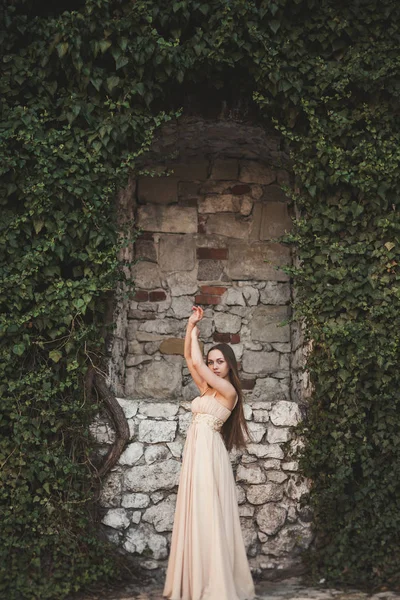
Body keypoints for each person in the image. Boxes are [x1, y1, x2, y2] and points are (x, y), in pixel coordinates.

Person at [163, 305, 256, 600]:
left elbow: (198, 364)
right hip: (197, 452)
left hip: (209, 454)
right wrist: (190, 326)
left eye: (219, 362)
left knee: (208, 511)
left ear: (229, 365)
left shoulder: (228, 391)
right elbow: (191, 360)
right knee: (197, 510)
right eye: (212, 362)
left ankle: (215, 583)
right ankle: (198, 578)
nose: (214, 366)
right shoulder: (206, 390)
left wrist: (194, 331)